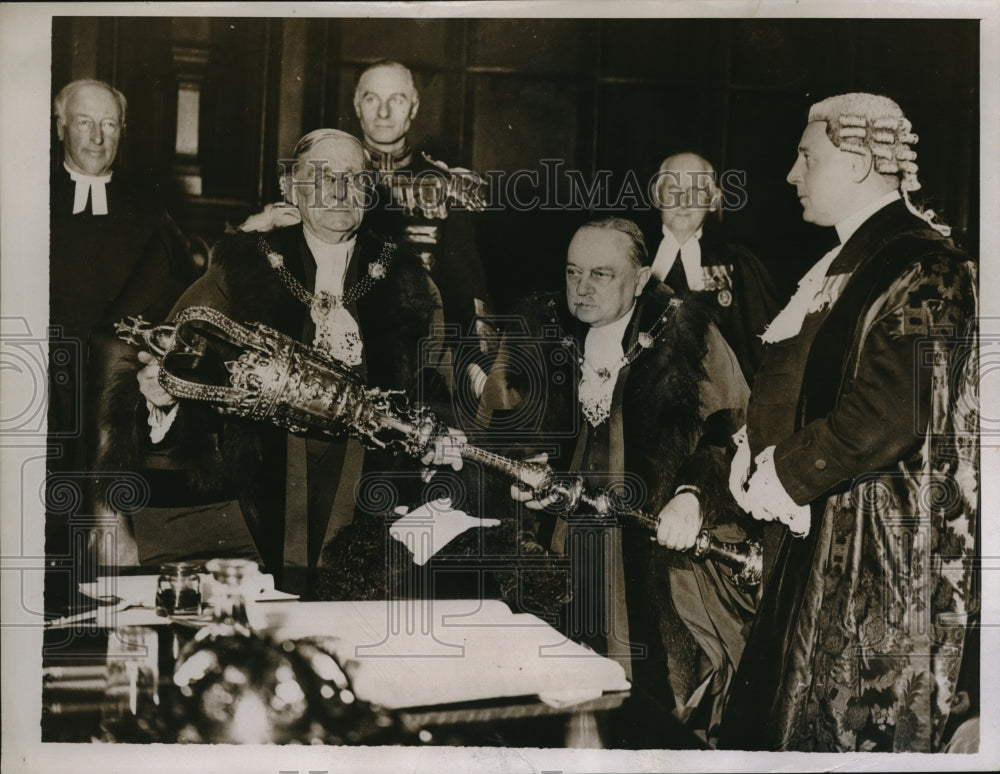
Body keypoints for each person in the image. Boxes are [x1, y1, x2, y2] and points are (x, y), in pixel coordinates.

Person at [719, 93, 979, 752]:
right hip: (822, 536)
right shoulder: (854, 260)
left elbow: (892, 409)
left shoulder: (927, 264)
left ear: (861, 162)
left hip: (874, 555)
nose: (791, 175)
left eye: (807, 157)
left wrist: (780, 471)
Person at [113, 129, 462, 595]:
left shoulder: (407, 282)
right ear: (292, 188)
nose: (339, 190)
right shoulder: (242, 267)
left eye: (354, 177)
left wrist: (437, 434)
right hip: (258, 494)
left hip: (366, 489)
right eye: (323, 176)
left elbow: (437, 388)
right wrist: (162, 393)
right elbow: (176, 362)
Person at [481, 217, 755, 745]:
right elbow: (504, 420)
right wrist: (521, 467)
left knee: (649, 702)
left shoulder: (686, 335)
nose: (581, 288)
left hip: (654, 544)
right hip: (564, 541)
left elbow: (732, 428)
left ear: (642, 275)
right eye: (572, 272)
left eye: (601, 274)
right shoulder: (543, 328)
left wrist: (692, 494)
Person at [47, 79, 195, 572]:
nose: (97, 137)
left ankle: (108, 518)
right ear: (60, 123)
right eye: (85, 122)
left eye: (109, 124)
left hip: (117, 377)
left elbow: (175, 286)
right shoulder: (27, 192)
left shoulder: (149, 206)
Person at [648, 152, 780, 383]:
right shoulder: (633, 256)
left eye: (696, 190)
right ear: (657, 196)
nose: (684, 199)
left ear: (712, 200)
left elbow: (760, 352)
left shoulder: (739, 264)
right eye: (672, 189)